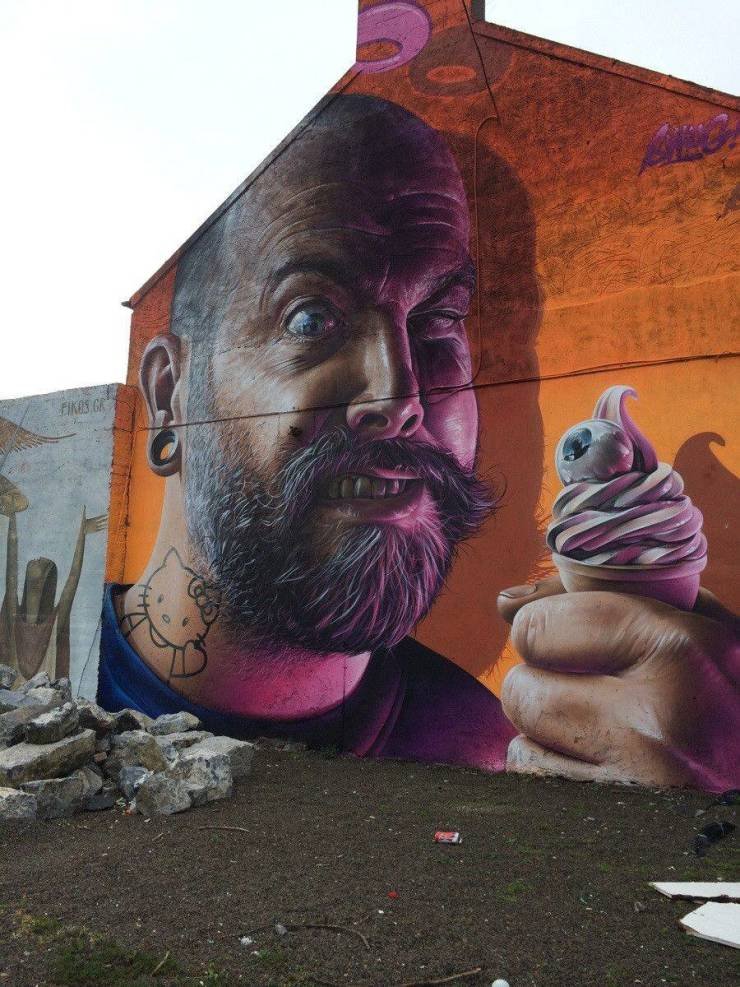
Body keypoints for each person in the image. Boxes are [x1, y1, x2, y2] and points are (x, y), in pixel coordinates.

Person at [98, 94, 739, 790]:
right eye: (310, 318)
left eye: (439, 323)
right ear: (168, 398)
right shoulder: (51, 687)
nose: (399, 399)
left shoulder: (507, 761)